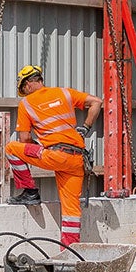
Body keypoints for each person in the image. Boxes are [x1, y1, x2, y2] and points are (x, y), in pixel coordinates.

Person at [5, 65, 102, 247]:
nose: (25, 92)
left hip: (55, 155)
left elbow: (24, 139)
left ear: (28, 84)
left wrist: (38, 148)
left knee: (11, 148)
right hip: (77, 159)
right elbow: (97, 102)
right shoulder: (64, 93)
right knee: (71, 210)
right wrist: (85, 128)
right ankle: (69, 251)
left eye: (23, 89)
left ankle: (30, 192)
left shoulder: (26, 103)